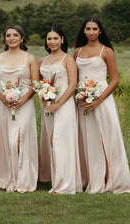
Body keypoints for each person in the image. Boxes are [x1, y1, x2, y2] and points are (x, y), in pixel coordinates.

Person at [73, 16, 130, 194]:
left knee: (108, 137)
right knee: (89, 140)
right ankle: (93, 178)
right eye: (88, 29)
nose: (91, 32)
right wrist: (80, 96)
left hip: (103, 100)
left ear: (100, 31)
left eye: (95, 29)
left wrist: (98, 100)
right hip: (83, 102)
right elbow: (74, 79)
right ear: (84, 30)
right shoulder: (77, 52)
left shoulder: (106, 51)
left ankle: (113, 179)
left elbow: (114, 80)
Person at [0, 24, 39, 192]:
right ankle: (6, 174)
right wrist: (4, 99)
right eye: (8, 35)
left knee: (17, 140)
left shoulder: (29, 58)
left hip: (24, 104)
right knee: (5, 140)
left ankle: (22, 178)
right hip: (2, 105)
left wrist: (21, 100)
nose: (12, 38)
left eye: (15, 35)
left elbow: (35, 85)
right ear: (5, 39)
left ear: (22, 38)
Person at [37, 26, 82, 194]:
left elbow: (72, 85)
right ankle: (57, 180)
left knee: (61, 140)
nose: (52, 42)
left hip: (64, 104)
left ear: (62, 39)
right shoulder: (42, 61)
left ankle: (66, 184)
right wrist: (44, 100)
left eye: (55, 38)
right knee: (52, 141)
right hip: (48, 105)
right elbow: (40, 84)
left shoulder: (68, 59)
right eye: (49, 39)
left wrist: (58, 104)